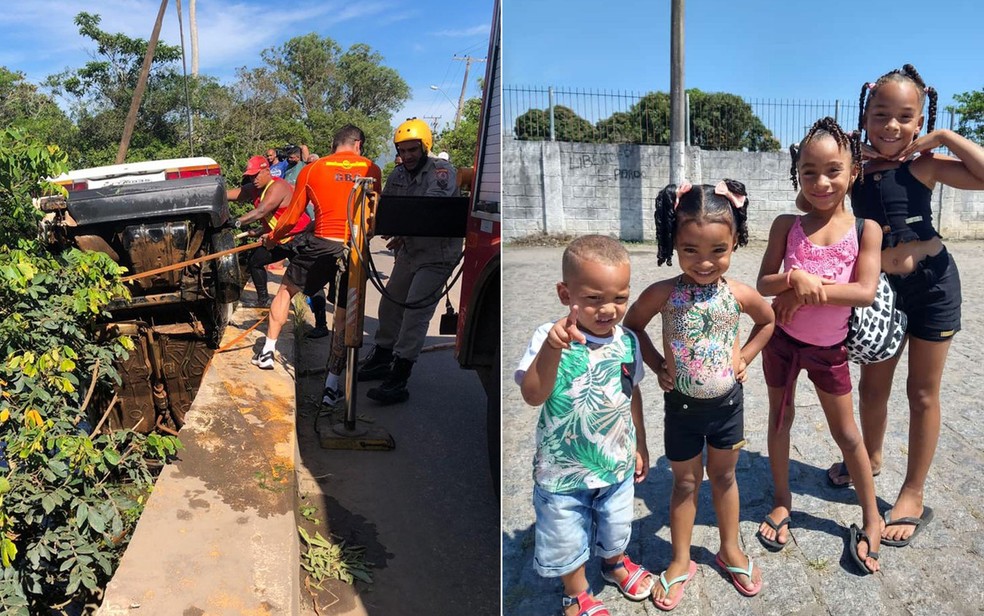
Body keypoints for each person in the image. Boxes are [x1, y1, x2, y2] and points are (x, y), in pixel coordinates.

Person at [821, 65, 984, 547]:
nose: (891, 125)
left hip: (934, 287)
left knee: (923, 394)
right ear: (865, 116)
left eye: (905, 117)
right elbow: (816, 191)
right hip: (880, 296)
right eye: (881, 114)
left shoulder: (925, 166)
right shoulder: (853, 170)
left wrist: (943, 135)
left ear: (918, 121)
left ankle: (913, 492)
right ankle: (869, 459)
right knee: (874, 389)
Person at [623, 180, 774, 610]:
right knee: (685, 482)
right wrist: (656, 365)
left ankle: (730, 550)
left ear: (735, 242)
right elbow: (633, 326)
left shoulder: (739, 293)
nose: (704, 262)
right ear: (673, 241)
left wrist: (744, 356)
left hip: (728, 408)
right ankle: (679, 559)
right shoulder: (664, 294)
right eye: (690, 250)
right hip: (681, 410)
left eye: (717, 251)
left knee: (725, 477)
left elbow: (768, 321)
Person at [756, 117, 884, 574]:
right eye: (809, 171)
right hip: (783, 344)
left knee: (848, 434)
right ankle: (782, 501)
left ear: (854, 172)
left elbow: (864, 291)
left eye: (833, 170)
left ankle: (871, 516)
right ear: (797, 175)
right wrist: (792, 278)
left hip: (830, 351)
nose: (821, 181)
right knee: (780, 419)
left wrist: (806, 291)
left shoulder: (866, 229)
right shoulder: (787, 224)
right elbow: (763, 281)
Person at [515, 235, 653, 616]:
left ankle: (614, 563)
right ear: (565, 293)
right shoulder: (548, 337)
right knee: (564, 531)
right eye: (593, 298)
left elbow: (632, 392)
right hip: (563, 470)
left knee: (616, 520)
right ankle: (575, 591)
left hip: (615, 461)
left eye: (620, 298)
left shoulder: (627, 341)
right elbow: (532, 394)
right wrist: (552, 349)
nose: (608, 309)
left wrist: (640, 443)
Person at [253, 125, 381, 411]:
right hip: (355, 248)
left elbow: (292, 214)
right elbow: (372, 219)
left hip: (320, 244)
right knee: (345, 314)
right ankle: (332, 385)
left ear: (335, 144)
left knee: (286, 290)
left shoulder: (314, 169)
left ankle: (268, 352)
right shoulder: (372, 169)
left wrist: (272, 239)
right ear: (358, 145)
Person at [357, 119, 461, 404]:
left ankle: (399, 376)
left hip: (436, 254)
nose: (407, 156)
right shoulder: (398, 175)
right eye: (402, 151)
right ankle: (382, 355)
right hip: (410, 249)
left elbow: (427, 210)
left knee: (415, 311)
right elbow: (389, 206)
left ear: (425, 147)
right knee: (390, 303)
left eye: (413, 150)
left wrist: (400, 229)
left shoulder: (442, 171)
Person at [226, 156, 312, 310]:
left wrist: (238, 221)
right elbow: (232, 194)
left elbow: (261, 211)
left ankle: (321, 324)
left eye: (257, 174)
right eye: (251, 176)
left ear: (267, 171)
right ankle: (263, 300)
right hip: (278, 238)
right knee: (255, 262)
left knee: (310, 279)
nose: (254, 179)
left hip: (298, 237)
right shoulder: (253, 189)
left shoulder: (278, 186)